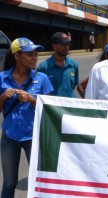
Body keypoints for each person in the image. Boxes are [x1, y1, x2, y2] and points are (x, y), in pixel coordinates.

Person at [0, 38, 53, 198]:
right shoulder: (2, 78)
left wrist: (31, 99)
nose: (35, 57)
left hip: (34, 138)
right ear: (17, 56)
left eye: (36, 54)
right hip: (9, 138)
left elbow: (50, 110)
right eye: (30, 54)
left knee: (39, 182)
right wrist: (2, 98)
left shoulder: (42, 78)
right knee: (9, 183)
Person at [38, 32, 79, 98]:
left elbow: (73, 87)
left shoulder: (73, 65)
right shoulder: (43, 67)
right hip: (53, 108)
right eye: (63, 44)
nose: (66, 47)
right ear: (54, 46)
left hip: (70, 106)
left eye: (68, 44)